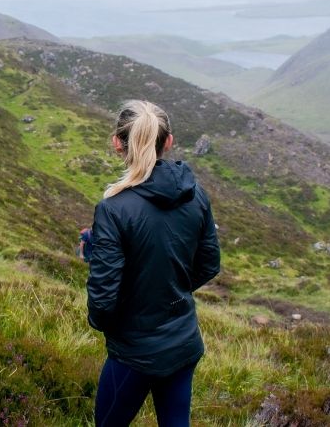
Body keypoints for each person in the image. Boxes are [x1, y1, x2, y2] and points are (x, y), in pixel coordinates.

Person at [87, 100, 221, 426]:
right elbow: (209, 264)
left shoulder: (114, 209)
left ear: (117, 142)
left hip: (134, 351)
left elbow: (103, 304)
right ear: (169, 141)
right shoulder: (195, 193)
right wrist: (169, 291)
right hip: (184, 342)